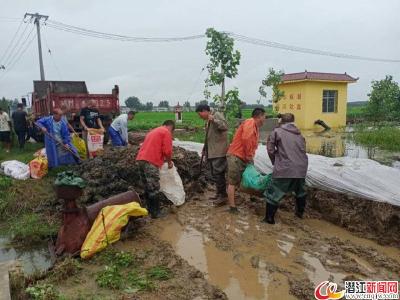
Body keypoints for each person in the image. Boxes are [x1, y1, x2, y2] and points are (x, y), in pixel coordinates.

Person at [264, 113, 308, 224]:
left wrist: (275, 162)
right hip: (301, 168)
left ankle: (269, 219)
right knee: (300, 191)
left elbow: (270, 148)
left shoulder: (277, 132)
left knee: (274, 193)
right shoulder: (299, 134)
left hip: (285, 167)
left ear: (281, 121)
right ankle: (299, 214)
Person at [226, 108, 266, 214]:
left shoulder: (255, 127)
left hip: (244, 157)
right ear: (259, 116)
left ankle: (249, 199)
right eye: (264, 117)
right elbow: (246, 139)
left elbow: (252, 144)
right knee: (232, 182)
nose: (265, 119)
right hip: (236, 156)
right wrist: (249, 156)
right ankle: (232, 207)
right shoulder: (250, 122)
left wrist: (250, 157)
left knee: (247, 178)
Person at [136, 120, 175, 218]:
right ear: (170, 127)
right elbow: (167, 150)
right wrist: (169, 162)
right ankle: (156, 213)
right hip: (151, 161)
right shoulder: (166, 132)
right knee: (154, 187)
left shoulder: (153, 131)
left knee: (147, 186)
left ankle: (149, 210)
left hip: (140, 159)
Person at [196, 104, 228, 205]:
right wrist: (205, 149)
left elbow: (225, 126)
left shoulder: (216, 115)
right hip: (212, 151)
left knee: (219, 174)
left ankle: (223, 195)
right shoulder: (208, 120)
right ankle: (219, 193)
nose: (199, 116)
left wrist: (214, 119)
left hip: (219, 150)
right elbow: (209, 136)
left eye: (199, 114)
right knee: (215, 174)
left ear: (205, 111)